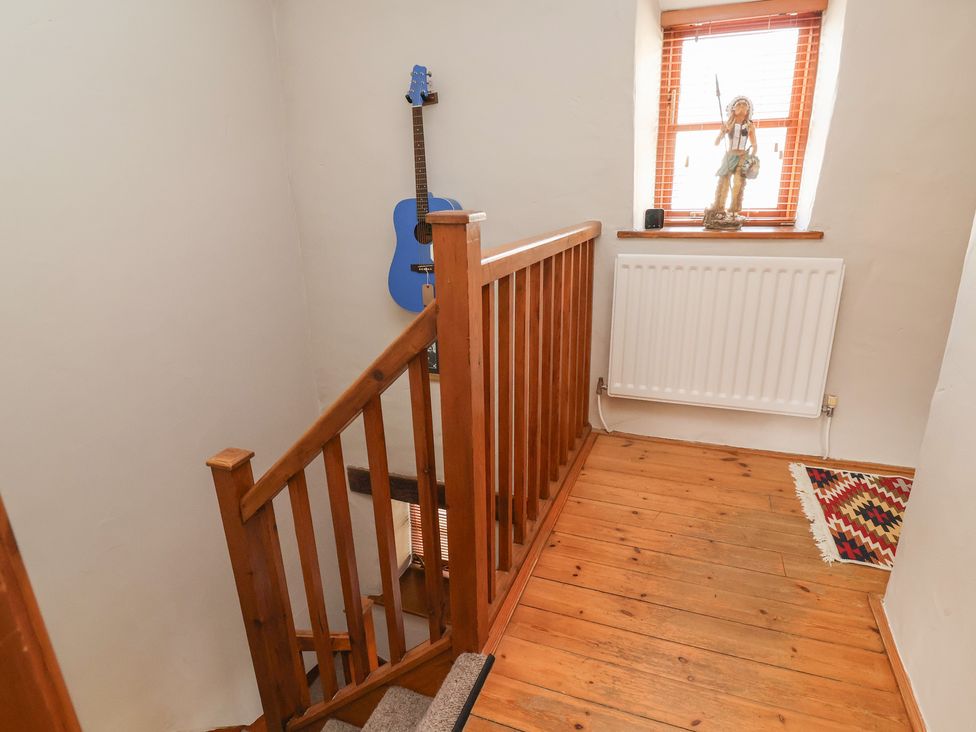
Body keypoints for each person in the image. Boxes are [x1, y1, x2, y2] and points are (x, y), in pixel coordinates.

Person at [709, 95, 758, 220]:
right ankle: (719, 208)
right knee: (724, 182)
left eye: (744, 106)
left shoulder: (750, 126)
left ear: (747, 111)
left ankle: (734, 210)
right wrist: (722, 132)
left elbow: (754, 144)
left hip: (743, 156)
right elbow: (716, 142)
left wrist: (752, 159)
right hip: (729, 156)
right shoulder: (729, 124)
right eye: (739, 105)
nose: (742, 107)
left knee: (738, 183)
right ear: (733, 109)